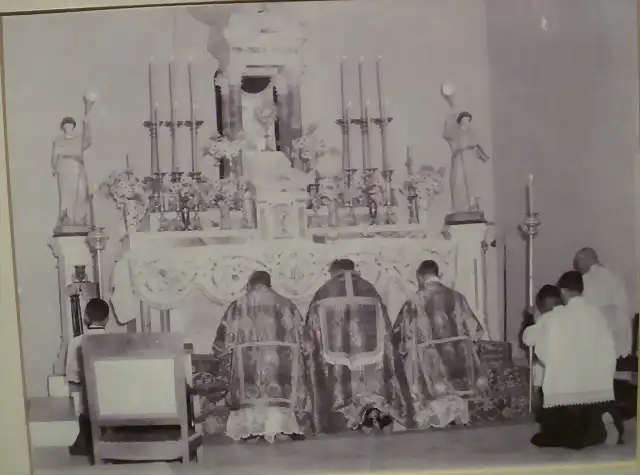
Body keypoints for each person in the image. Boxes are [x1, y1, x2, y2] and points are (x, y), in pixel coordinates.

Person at [304, 259, 409, 435]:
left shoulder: (324, 292)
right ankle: (376, 409)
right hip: (369, 351)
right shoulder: (369, 288)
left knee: (344, 389)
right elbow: (384, 325)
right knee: (370, 384)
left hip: (338, 354)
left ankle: (356, 417)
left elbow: (313, 328)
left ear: (333, 272)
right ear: (354, 270)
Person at [523, 271, 623, 449]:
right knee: (589, 413)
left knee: (549, 437)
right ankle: (603, 422)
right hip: (597, 387)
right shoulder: (598, 315)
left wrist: (530, 319)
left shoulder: (555, 316)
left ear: (563, 291)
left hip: (567, 388)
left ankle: (596, 432)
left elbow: (529, 338)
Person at [210, 271, 310, 443]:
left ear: (250, 284)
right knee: (279, 396)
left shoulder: (237, 306)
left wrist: (224, 359)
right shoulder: (287, 305)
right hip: (279, 365)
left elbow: (222, 343)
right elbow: (305, 342)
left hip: (249, 366)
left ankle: (252, 430)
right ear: (269, 284)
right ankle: (280, 427)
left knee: (251, 395)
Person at [392, 260, 488, 429]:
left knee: (434, 392)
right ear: (438, 274)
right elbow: (476, 330)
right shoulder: (458, 297)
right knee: (456, 392)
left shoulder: (415, 300)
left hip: (429, 359)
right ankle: (458, 419)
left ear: (420, 277)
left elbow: (402, 335)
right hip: (458, 356)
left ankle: (436, 422)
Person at [66, 298, 110, 457]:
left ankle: (86, 437)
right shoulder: (112, 340)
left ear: (85, 318)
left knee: (78, 389)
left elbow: (72, 374)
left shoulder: (76, 342)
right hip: (110, 398)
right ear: (107, 319)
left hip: (87, 400)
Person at [573, 248, 632, 358]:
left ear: (587, 259)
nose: (577, 265)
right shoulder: (613, 276)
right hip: (618, 339)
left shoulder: (588, 280)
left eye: (578, 261)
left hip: (598, 341)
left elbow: (585, 311)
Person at [521, 285, 565, 421]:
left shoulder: (546, 319)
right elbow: (528, 339)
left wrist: (528, 317)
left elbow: (527, 339)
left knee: (538, 368)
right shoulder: (569, 316)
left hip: (557, 368)